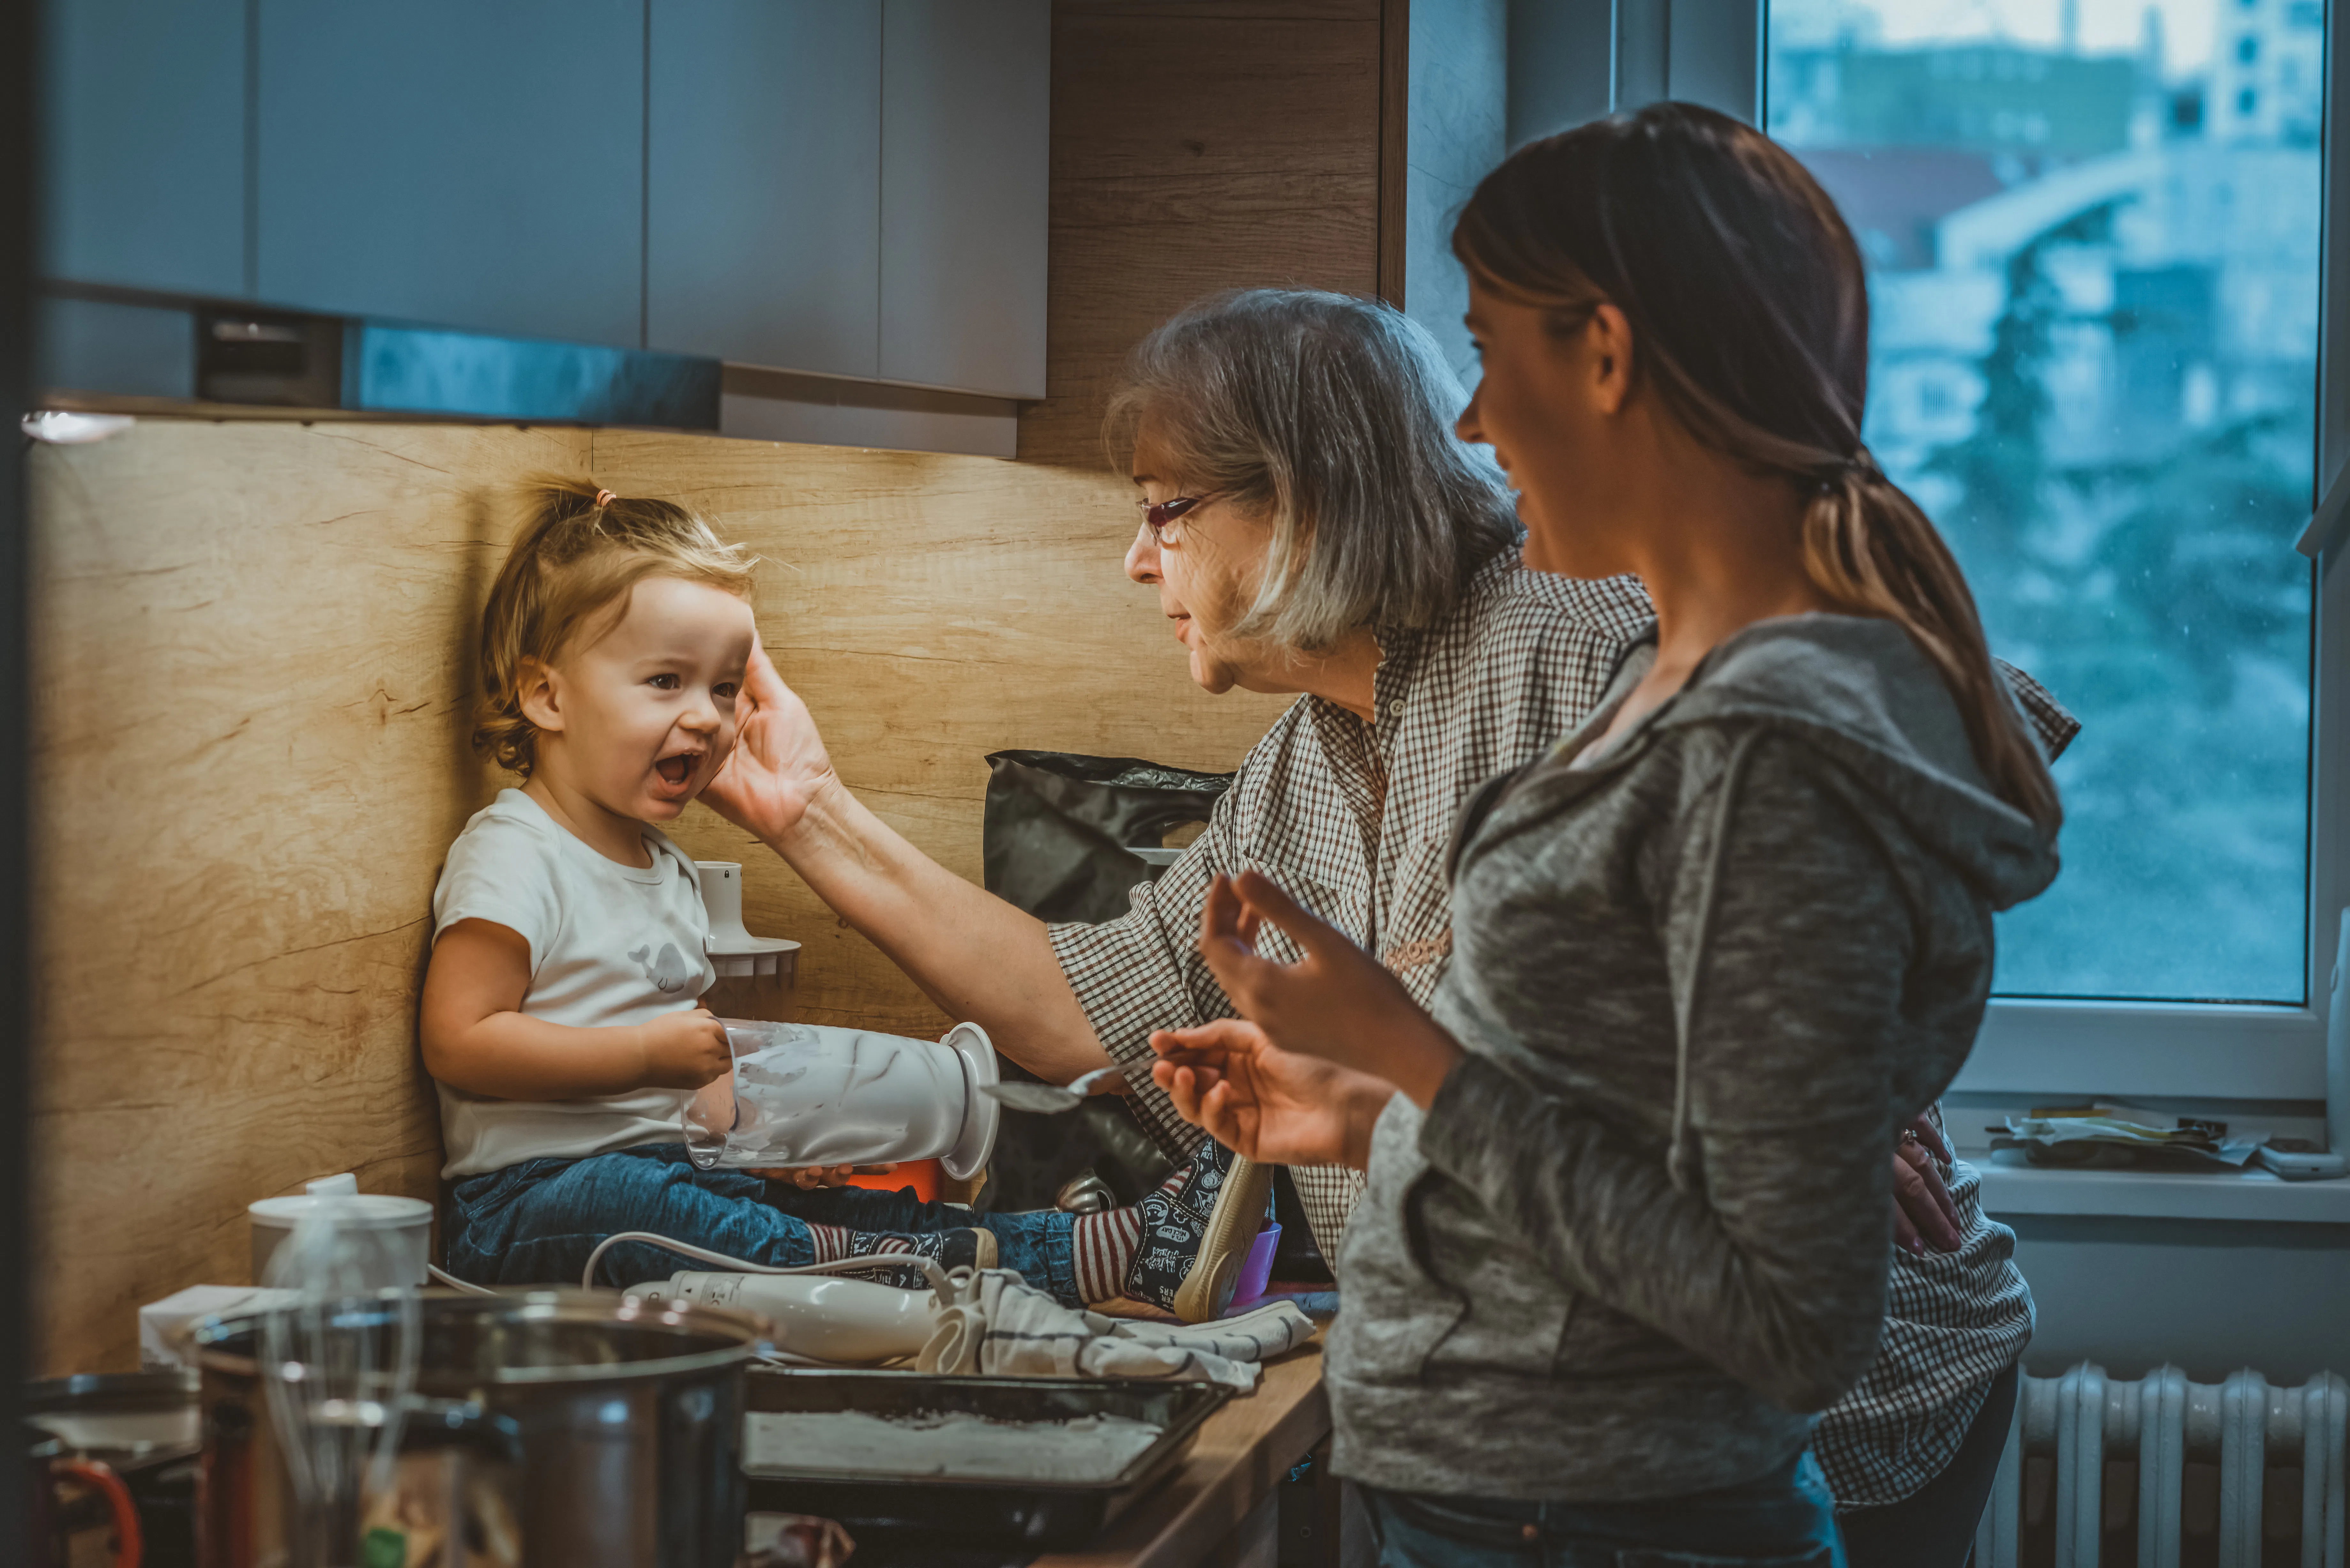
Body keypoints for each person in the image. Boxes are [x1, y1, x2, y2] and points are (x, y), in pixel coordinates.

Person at [701, 288, 2068, 1539]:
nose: (1137, 560)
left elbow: (1955, 719)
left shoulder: (1576, 623)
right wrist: (808, 813)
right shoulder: (1298, 772)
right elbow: (1080, 1011)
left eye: (1164, 509)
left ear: (1295, 503)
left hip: (1800, 1416)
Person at [1144, 103, 2062, 1566]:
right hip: (1527, 1514)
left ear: (1608, 357)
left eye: (1490, 353)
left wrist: (1410, 1050)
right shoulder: (1677, 703)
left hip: (1606, 1530)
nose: (1469, 419)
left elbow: (1786, 1319)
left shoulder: (1772, 757)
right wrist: (1378, 1115)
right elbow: (1631, 1162)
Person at [417, 478, 1183, 1304]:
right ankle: (874, 1266)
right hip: (530, 1206)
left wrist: (770, 1138)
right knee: (654, 1207)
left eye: (723, 687)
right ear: (548, 696)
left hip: (671, 1173)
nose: (710, 719)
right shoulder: (514, 852)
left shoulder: (667, 867)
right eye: (666, 682)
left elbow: (697, 1081)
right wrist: (642, 1055)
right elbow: (460, 1040)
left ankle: (1092, 1254)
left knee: (801, 1207)